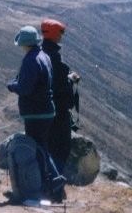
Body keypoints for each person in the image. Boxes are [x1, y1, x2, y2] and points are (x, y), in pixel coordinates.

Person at [7, 25, 65, 202]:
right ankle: (53, 184)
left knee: (38, 150)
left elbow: (25, 88)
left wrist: (12, 85)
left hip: (35, 113)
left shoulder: (30, 60)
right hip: (46, 110)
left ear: (24, 44)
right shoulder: (43, 56)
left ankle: (51, 185)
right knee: (42, 148)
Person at [40, 18, 80, 172]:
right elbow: (63, 89)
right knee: (61, 148)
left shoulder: (40, 54)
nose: (62, 36)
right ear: (56, 35)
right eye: (60, 33)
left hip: (42, 110)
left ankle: (45, 179)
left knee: (46, 146)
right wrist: (71, 79)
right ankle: (55, 183)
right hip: (58, 113)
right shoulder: (55, 59)